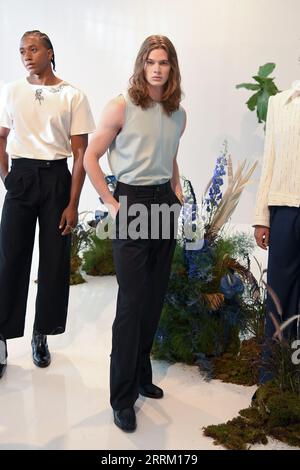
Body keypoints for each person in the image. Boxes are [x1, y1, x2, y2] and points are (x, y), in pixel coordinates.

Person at [84, 35, 186, 432]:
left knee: (154, 297)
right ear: (141, 65)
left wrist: (176, 190)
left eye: (164, 63)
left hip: (163, 204)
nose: (158, 69)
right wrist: (111, 200)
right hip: (132, 203)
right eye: (151, 62)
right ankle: (122, 395)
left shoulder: (178, 113)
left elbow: (171, 154)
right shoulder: (121, 106)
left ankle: (143, 375)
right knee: (131, 302)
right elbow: (92, 156)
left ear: (172, 68)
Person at [0, 30, 95, 379]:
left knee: (54, 260)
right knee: (11, 258)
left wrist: (73, 203)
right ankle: (2, 337)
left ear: (50, 52)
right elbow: (1, 137)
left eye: (34, 48)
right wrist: (7, 177)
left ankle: (43, 333)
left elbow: (82, 152)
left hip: (57, 177)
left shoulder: (72, 95)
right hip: (21, 176)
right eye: (22, 50)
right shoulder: (10, 90)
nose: (27, 55)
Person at [253, 81, 300, 384]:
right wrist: (262, 216)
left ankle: (295, 378)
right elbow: (269, 159)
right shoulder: (279, 103)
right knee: (278, 295)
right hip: (284, 210)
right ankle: (270, 379)